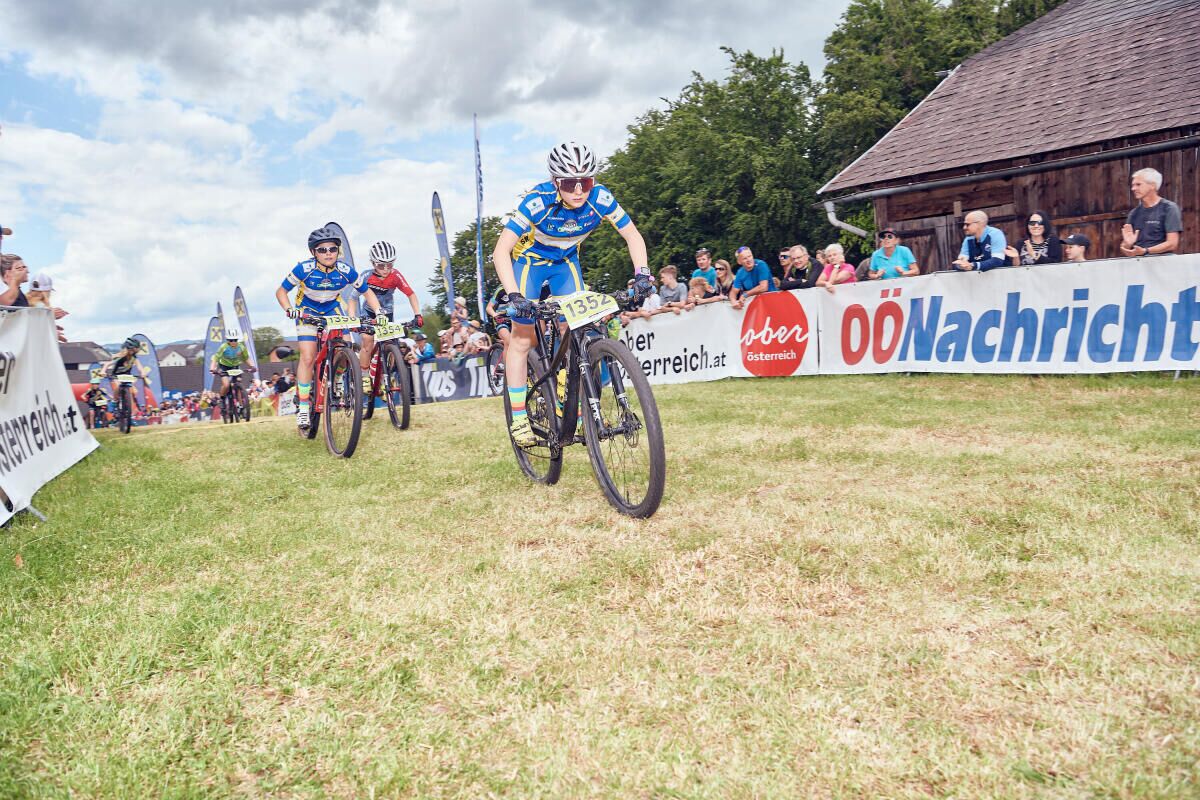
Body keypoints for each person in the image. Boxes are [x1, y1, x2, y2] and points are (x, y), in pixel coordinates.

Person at [491, 141, 650, 446]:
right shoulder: (537, 201)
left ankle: (570, 395)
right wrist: (514, 296)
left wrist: (642, 274)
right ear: (555, 182)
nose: (578, 191)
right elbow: (501, 251)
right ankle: (519, 417)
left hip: (566, 264)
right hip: (530, 264)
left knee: (577, 327)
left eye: (585, 182)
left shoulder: (601, 198)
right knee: (522, 338)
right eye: (569, 183)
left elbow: (632, 235)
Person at [276, 226, 385, 430]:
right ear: (313, 252)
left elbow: (367, 292)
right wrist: (289, 309)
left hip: (332, 310)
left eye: (333, 249)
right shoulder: (304, 269)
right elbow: (281, 291)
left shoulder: (345, 271)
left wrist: (379, 312)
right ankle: (304, 407)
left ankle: (337, 378)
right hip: (306, 310)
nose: (328, 253)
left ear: (338, 251)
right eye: (322, 250)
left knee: (345, 348)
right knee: (308, 357)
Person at [357, 240, 423, 389]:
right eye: (381, 265)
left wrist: (418, 314)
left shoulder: (395, 275)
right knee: (367, 340)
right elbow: (353, 297)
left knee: (392, 345)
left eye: (390, 264)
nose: (386, 269)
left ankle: (384, 377)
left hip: (387, 312)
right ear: (373, 263)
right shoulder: (366, 276)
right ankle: (365, 376)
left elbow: (411, 294)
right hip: (368, 312)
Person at [1121, 167, 1182, 257]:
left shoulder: (1169, 208)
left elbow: (1172, 243)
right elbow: (1125, 248)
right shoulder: (1133, 213)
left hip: (1163, 261)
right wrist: (1127, 244)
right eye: (1133, 185)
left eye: (1138, 184)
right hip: (1138, 261)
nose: (1133, 188)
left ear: (1152, 185)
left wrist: (1146, 251)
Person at [209, 327, 255, 400]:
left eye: (235, 340)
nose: (233, 342)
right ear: (228, 340)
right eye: (231, 340)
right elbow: (215, 358)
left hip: (235, 366)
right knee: (226, 385)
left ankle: (240, 404)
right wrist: (212, 369)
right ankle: (222, 399)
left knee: (238, 382)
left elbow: (246, 358)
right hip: (224, 366)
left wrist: (252, 366)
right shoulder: (223, 347)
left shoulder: (241, 347)